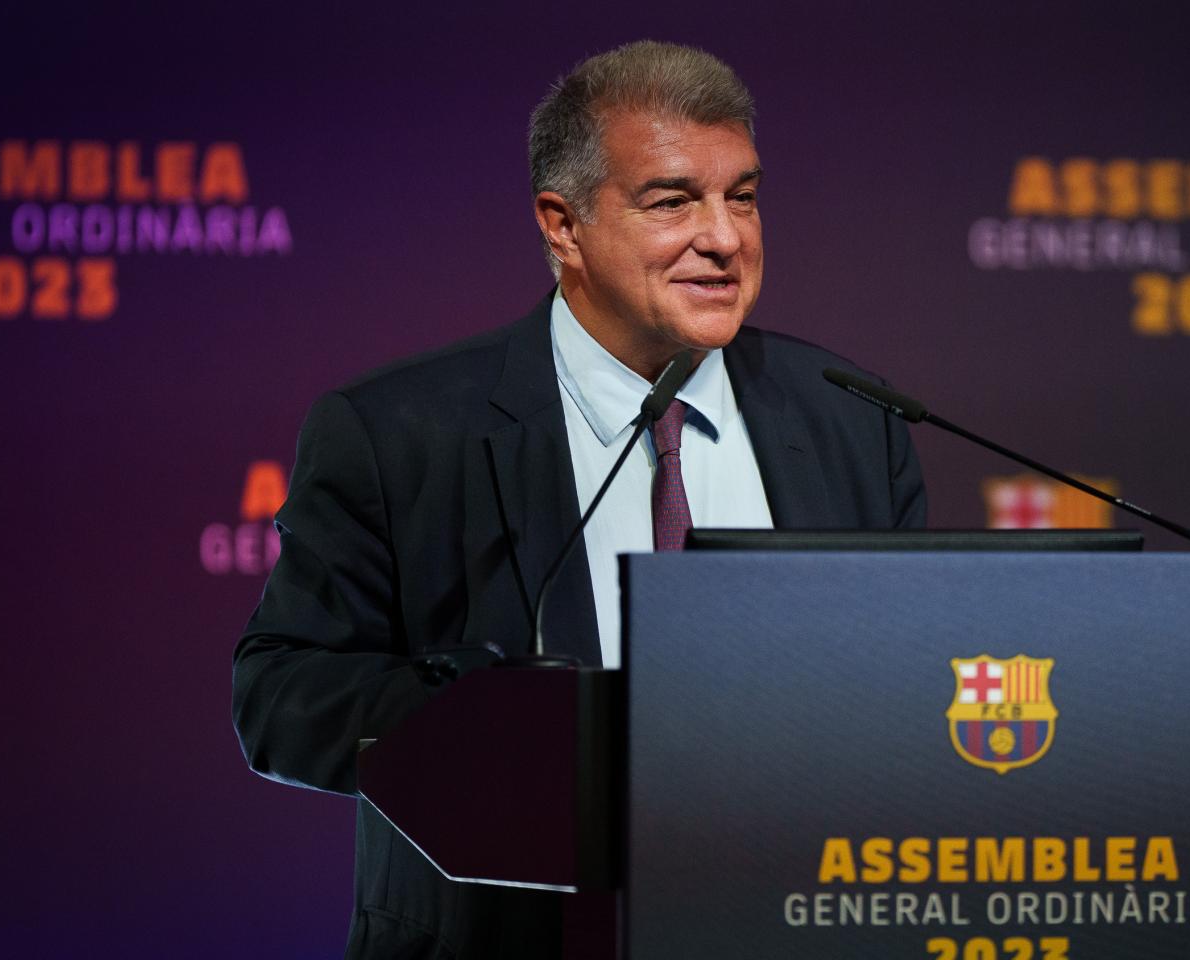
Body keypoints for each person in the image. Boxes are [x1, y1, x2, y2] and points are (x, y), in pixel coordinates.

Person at [231, 40, 925, 958]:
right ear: (562, 225)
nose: (725, 238)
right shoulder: (399, 435)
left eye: (743, 196)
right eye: (673, 201)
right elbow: (281, 695)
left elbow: (917, 683)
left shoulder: (852, 418)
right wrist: (497, 729)